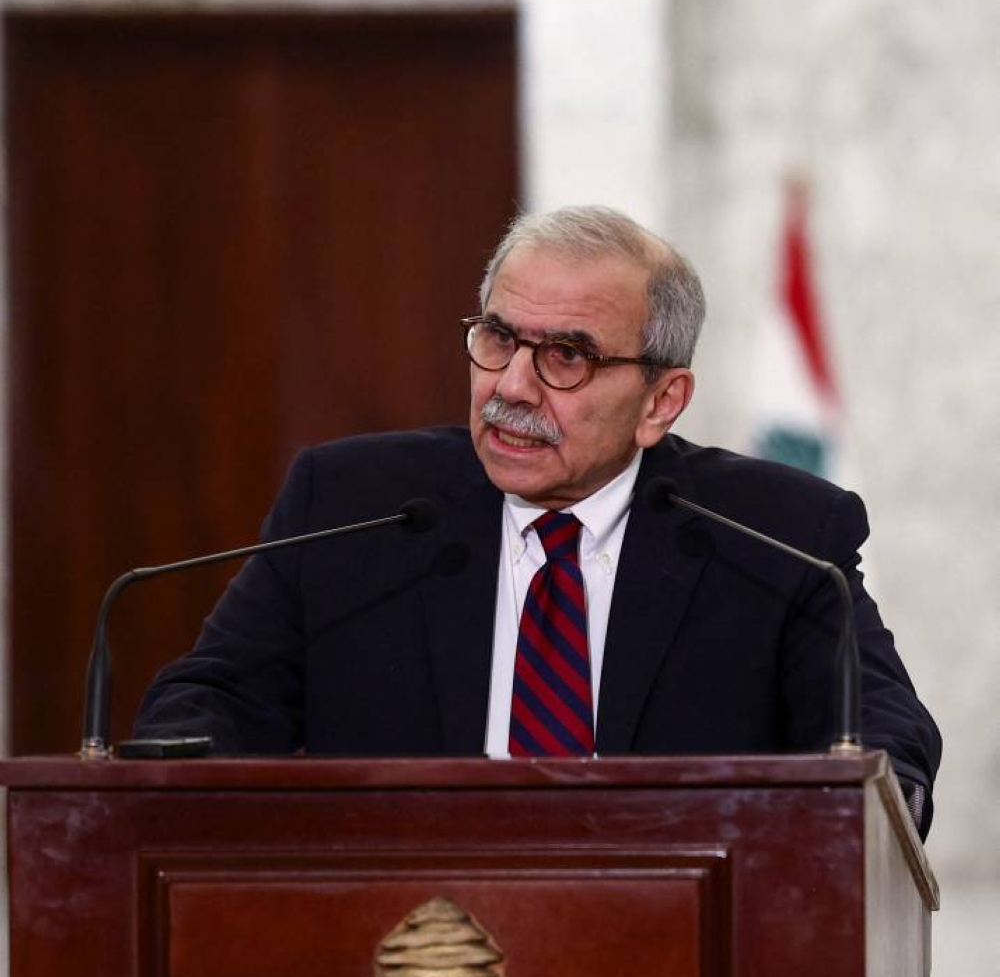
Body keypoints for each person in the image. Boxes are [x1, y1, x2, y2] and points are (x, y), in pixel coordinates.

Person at [135, 206, 940, 836]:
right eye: (497, 338)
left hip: (673, 959)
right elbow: (213, 697)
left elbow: (880, 732)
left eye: (566, 357)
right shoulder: (354, 505)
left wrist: (863, 822)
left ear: (661, 402)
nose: (511, 386)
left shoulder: (774, 535)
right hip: (395, 957)